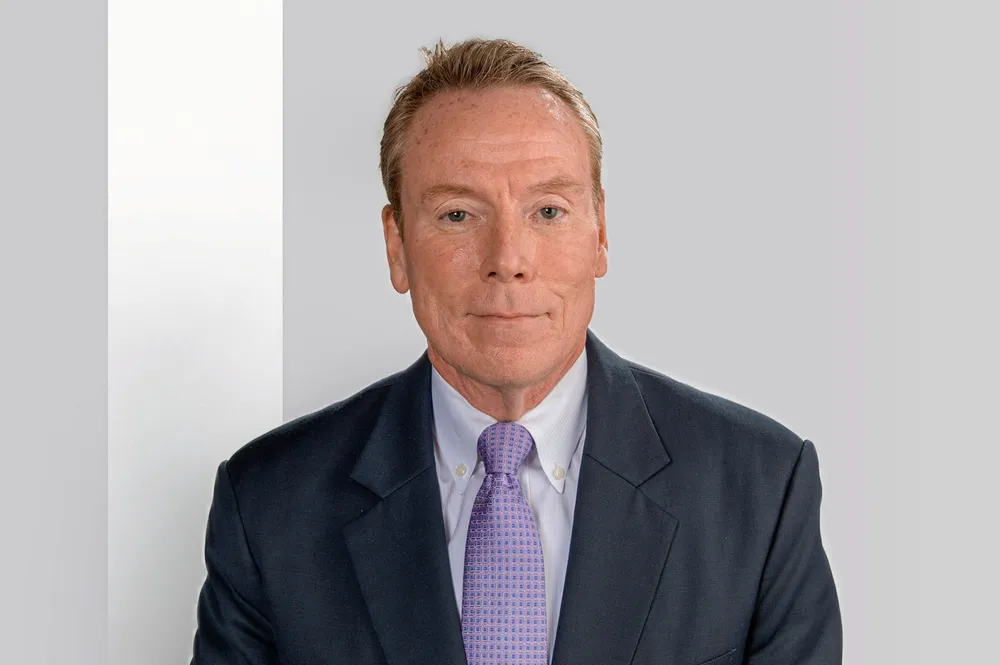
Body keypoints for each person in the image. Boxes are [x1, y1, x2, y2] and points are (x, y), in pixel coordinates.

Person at [190, 38, 842, 665]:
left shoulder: (760, 489)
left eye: (548, 211)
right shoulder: (269, 505)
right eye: (457, 215)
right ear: (397, 246)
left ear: (601, 232)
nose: (508, 259)